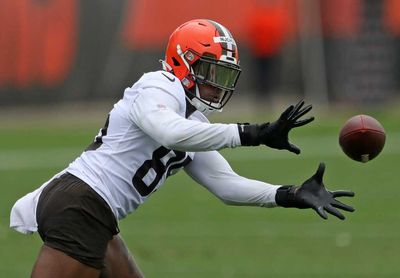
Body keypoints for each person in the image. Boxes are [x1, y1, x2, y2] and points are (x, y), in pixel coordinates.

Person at [10, 19, 355, 278]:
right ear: (182, 61)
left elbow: (227, 185)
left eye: (221, 75)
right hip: (81, 203)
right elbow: (170, 133)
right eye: (208, 71)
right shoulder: (158, 86)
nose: (215, 84)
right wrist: (255, 133)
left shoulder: (194, 125)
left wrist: (288, 194)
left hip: (95, 212)